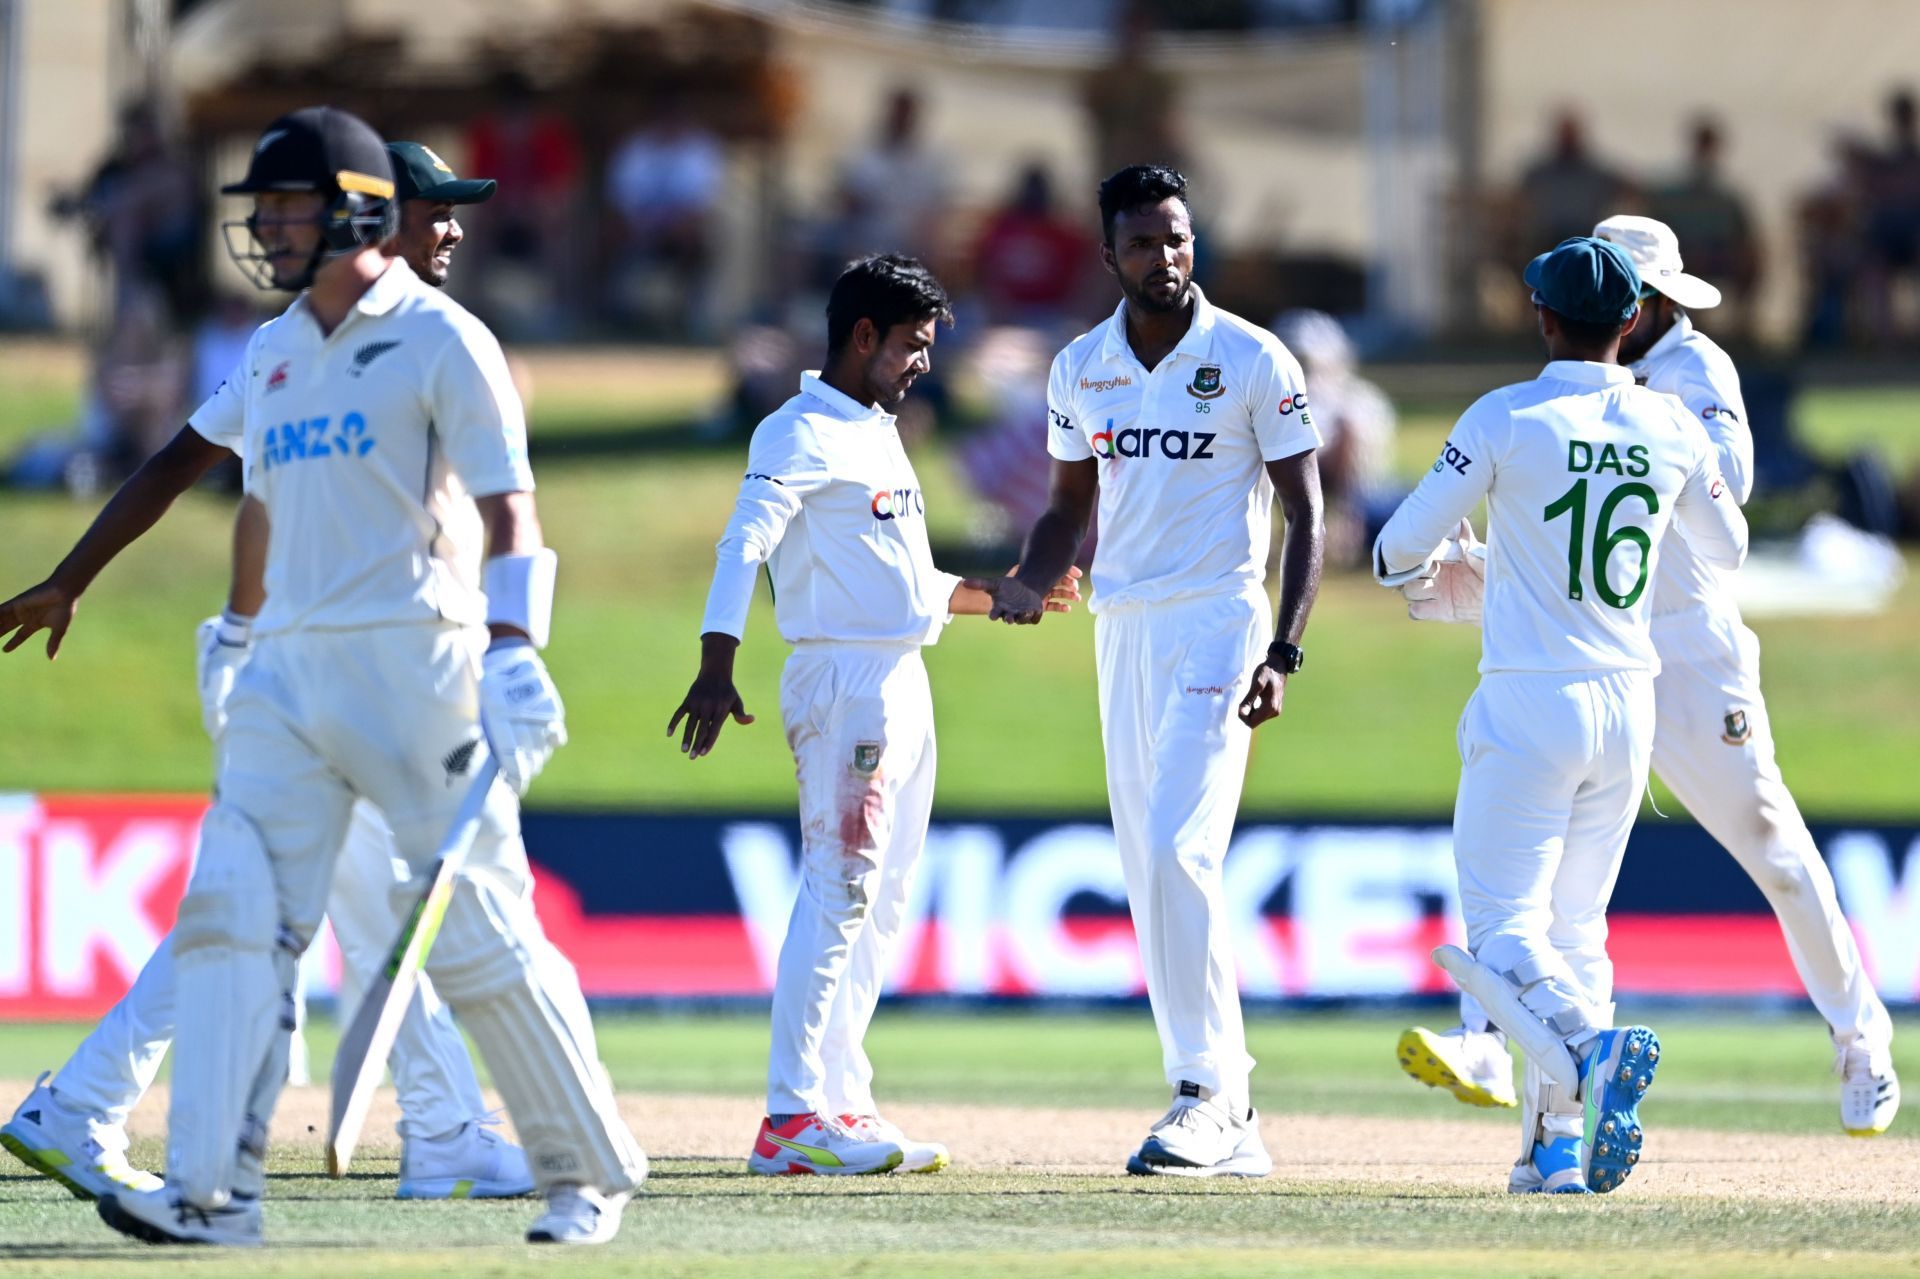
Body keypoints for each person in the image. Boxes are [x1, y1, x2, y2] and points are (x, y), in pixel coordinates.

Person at [0, 106, 645, 1246]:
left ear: (355, 211)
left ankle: (581, 1172)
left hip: (421, 662)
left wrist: (514, 647)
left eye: (291, 208)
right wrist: (74, 575)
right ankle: (212, 1193)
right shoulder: (275, 349)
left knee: (486, 928)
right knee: (237, 920)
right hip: (293, 681)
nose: (271, 229)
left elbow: (511, 506)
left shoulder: (447, 339)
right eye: (265, 211)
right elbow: (192, 470)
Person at [1398, 216, 1900, 1139]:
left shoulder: (1696, 373)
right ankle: (1492, 1046)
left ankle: (1861, 1036)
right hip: (1592, 640)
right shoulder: (1573, 390)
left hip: (1688, 650)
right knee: (1541, 884)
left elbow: (1730, 497)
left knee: (1775, 851)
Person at [669, 253, 1080, 1177]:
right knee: (841, 885)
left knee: (883, 900)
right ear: (863, 337)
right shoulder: (799, 430)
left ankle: (841, 1100)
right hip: (843, 682)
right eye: (912, 345)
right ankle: (789, 1117)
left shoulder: (878, 432)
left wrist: (1003, 593)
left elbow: (901, 586)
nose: (924, 362)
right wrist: (716, 662)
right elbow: (746, 544)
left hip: (898, 678)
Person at [1375, 236, 1748, 1194]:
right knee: (1575, 931)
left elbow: (1393, 553)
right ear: (1633, 320)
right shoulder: (1673, 425)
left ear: (1541, 317)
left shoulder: (1504, 415)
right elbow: (1728, 542)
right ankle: (1554, 1150)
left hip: (1528, 697)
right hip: (1630, 698)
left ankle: (1589, 1050)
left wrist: (1469, 565)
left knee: (1501, 930)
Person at [987, 165, 1325, 1178]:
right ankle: (1236, 1112)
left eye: (1178, 239)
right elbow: (1064, 507)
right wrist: (1031, 577)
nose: (1166, 258)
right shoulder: (1081, 367)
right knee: (1149, 867)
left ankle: (1207, 1092)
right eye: (1143, 243)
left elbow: (1307, 516)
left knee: (1180, 848)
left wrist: (1286, 652)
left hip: (1221, 622)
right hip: (1121, 625)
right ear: (1110, 255)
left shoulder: (1255, 358)